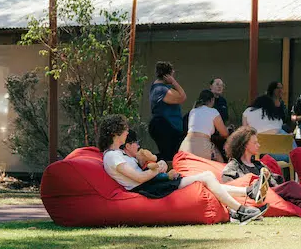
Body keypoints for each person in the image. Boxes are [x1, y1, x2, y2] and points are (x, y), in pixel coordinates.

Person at [98, 114, 266, 224]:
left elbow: (143, 169)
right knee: (206, 176)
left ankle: (247, 195)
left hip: (153, 183)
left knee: (204, 179)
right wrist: (158, 170)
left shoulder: (118, 154)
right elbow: (139, 178)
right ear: (115, 133)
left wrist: (159, 166)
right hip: (149, 188)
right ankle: (241, 210)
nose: (127, 132)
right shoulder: (112, 156)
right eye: (125, 129)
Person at [222, 126, 301, 217]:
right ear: (244, 145)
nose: (258, 145)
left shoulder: (258, 164)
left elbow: (274, 180)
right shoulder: (233, 166)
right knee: (290, 186)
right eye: (255, 142)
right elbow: (228, 185)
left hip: (272, 193)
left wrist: (275, 180)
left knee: (292, 195)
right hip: (257, 196)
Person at [147, 61, 188, 164]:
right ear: (167, 75)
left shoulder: (158, 88)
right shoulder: (161, 89)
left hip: (168, 126)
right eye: (172, 74)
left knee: (169, 154)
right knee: (169, 156)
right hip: (165, 125)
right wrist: (174, 82)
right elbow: (182, 97)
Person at [180, 90, 228, 161]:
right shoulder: (213, 111)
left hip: (185, 145)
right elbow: (224, 133)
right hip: (203, 145)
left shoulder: (193, 111)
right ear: (212, 100)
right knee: (221, 164)